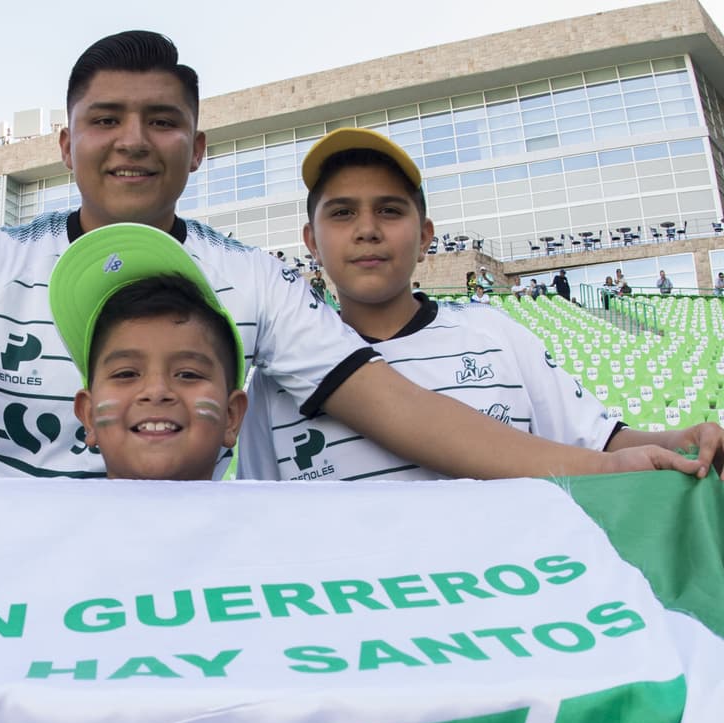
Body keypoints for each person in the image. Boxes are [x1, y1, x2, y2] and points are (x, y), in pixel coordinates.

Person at [0, 31, 711, 483]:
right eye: (106, 118)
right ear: (68, 141)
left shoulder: (253, 279)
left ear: (197, 147)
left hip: (180, 592)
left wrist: (597, 468)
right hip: (12, 592)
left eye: (160, 121)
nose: (132, 140)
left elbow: (399, 409)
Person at [239, 128, 724, 482]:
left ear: (426, 236)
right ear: (311, 242)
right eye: (342, 213)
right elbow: (265, 519)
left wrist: (686, 439)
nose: (367, 228)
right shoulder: (276, 380)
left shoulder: (498, 334)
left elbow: (604, 444)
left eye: (390, 210)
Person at [50, 222, 247, 480]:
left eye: (188, 374)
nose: (156, 392)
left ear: (231, 416)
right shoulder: (40, 521)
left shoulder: (269, 521)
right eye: (126, 374)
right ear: (88, 415)